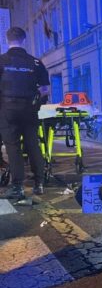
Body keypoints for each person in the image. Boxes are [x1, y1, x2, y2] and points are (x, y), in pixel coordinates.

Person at [0, 27, 49, 199]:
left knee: (13, 147)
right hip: (29, 109)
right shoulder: (35, 62)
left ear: (7, 40)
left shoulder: (1, 60)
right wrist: (37, 104)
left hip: (7, 110)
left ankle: (18, 186)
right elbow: (45, 89)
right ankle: (39, 184)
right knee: (32, 145)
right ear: (24, 40)